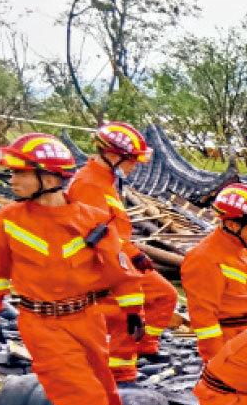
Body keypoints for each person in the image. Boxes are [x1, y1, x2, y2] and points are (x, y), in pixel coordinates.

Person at [0, 134, 142, 405]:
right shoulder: (8, 220)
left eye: (21, 173)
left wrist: (133, 311)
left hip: (87, 317)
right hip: (42, 323)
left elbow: (119, 269)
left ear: (50, 178)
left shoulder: (94, 219)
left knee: (105, 388)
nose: (13, 181)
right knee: (82, 396)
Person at [68, 122, 179, 389]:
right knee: (124, 314)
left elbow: (111, 229)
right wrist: (129, 257)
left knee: (163, 297)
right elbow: (97, 234)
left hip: (120, 256)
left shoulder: (103, 180)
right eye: (132, 160)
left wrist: (133, 253)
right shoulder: (89, 184)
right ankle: (120, 371)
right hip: (107, 262)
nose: (135, 166)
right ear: (113, 155)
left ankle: (141, 348)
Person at [181, 184, 247, 362]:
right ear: (231, 224)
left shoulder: (243, 252)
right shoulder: (204, 259)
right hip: (229, 342)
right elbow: (204, 320)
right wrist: (218, 361)